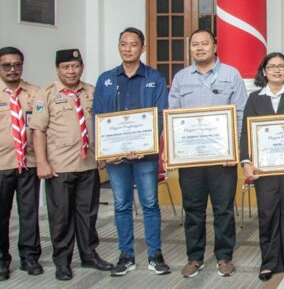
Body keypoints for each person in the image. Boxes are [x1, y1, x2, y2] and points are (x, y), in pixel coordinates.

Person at [168, 29, 247, 278]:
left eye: (205, 43)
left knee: (223, 209)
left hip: (223, 158)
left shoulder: (231, 75)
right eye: (195, 44)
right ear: (190, 48)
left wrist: (233, 150)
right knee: (193, 208)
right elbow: (172, 116)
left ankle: (224, 257)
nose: (199, 48)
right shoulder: (181, 78)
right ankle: (195, 257)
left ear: (215, 45)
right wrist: (174, 151)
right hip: (190, 159)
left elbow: (241, 114)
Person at [29, 49, 114, 281]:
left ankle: (89, 254)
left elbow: (102, 123)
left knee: (88, 215)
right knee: (61, 217)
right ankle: (63, 261)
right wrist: (42, 163)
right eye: (65, 67)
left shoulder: (91, 92)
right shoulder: (45, 94)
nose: (71, 71)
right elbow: (38, 131)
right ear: (58, 69)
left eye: (75, 66)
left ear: (82, 67)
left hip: (87, 164)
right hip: (59, 167)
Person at [93, 27, 170, 276]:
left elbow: (160, 113)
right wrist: (105, 152)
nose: (128, 48)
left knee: (150, 204)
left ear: (142, 48)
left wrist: (145, 144)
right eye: (123, 44)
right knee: (122, 204)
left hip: (145, 155)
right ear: (119, 47)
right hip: (116, 157)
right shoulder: (106, 79)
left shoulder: (154, 77)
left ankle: (154, 255)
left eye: (133, 44)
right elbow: (99, 116)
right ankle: (126, 255)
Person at [239, 52, 284, 282]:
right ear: (264, 71)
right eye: (272, 66)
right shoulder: (255, 99)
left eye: (282, 66)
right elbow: (246, 134)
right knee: (267, 215)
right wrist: (246, 162)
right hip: (264, 170)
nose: (277, 70)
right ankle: (269, 262)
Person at [0, 47, 42, 280]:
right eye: (6, 65)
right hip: (2, 163)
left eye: (17, 65)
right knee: (1, 214)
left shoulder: (35, 93)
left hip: (29, 162)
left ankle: (29, 257)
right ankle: (2, 261)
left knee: (29, 212)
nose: (13, 69)